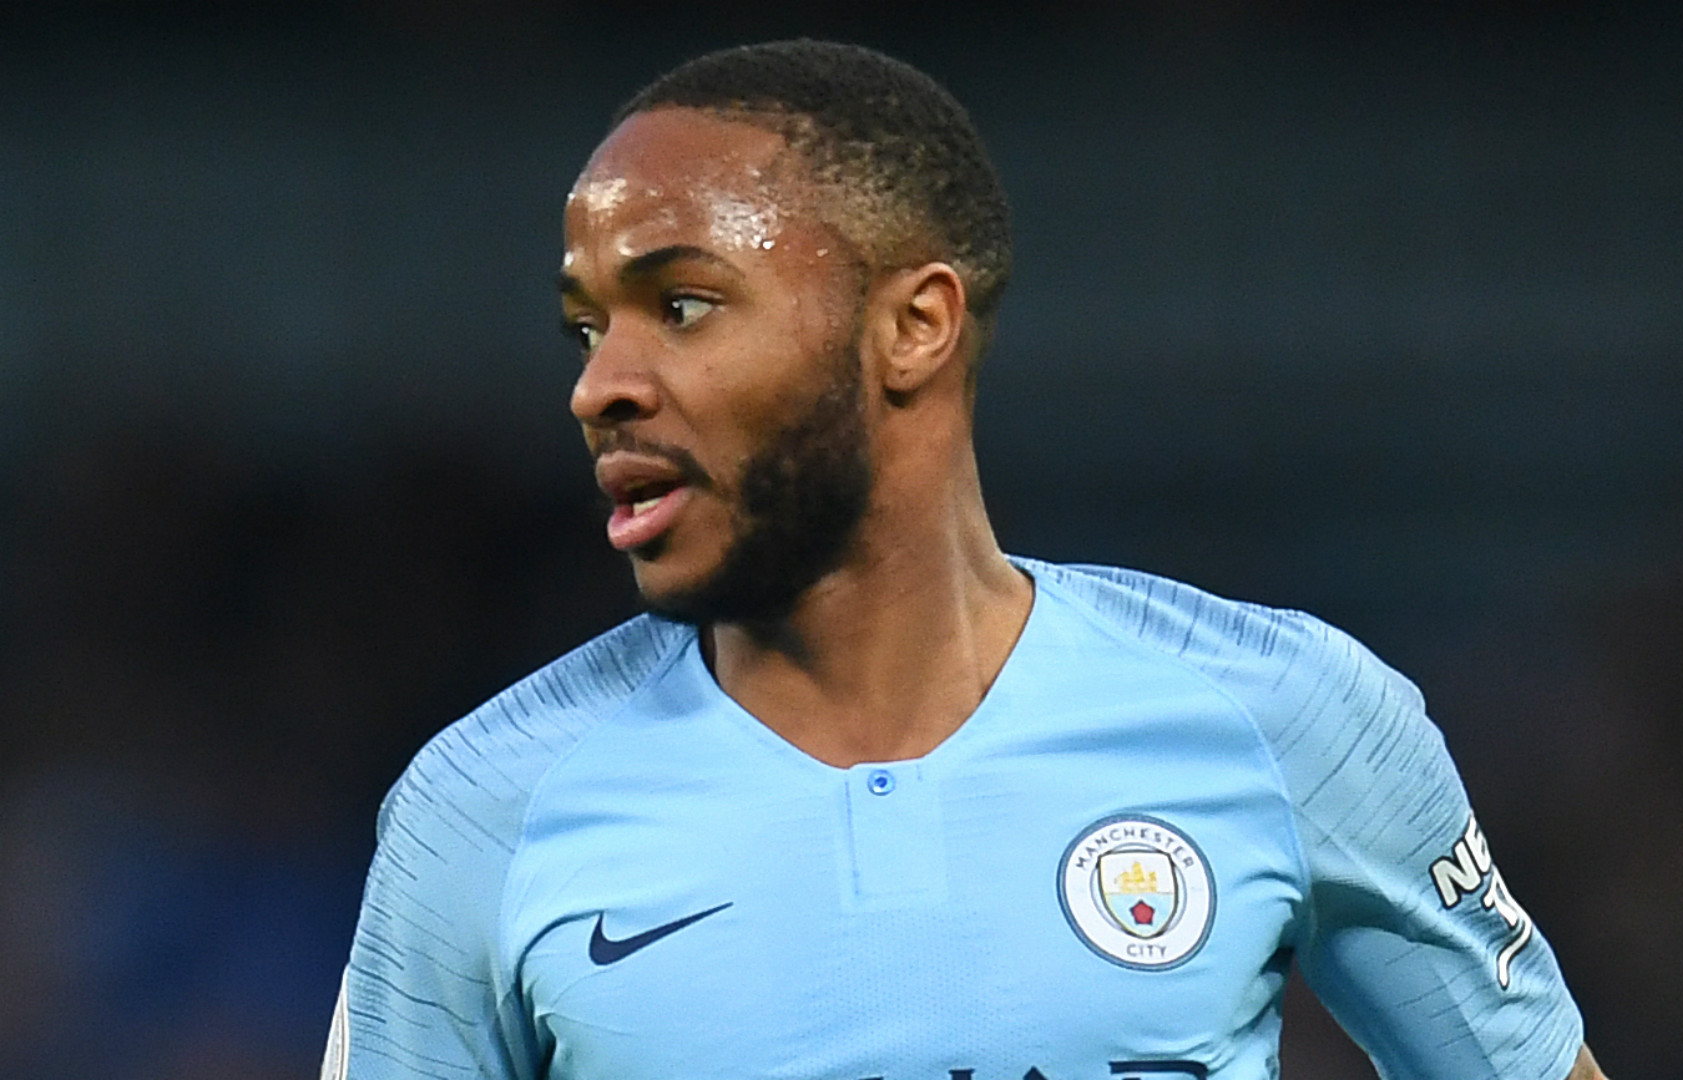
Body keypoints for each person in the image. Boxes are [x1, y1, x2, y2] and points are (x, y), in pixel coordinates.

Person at [325, 39, 1607, 1080]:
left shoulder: (1287, 718)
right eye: (586, 328)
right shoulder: (483, 810)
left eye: (683, 306)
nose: (599, 385)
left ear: (916, 325)